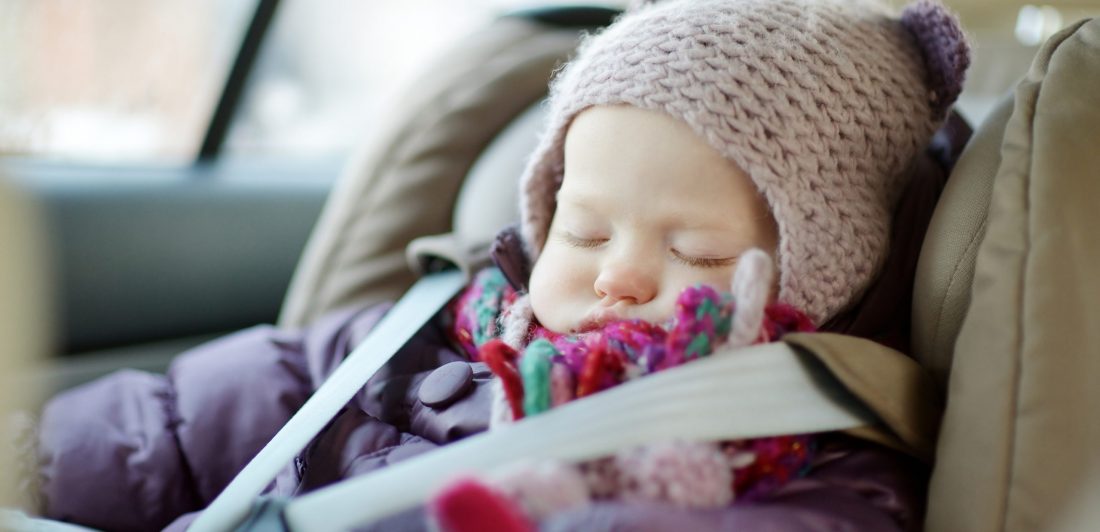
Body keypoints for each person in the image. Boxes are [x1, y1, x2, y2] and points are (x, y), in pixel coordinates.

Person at [25, 0, 970, 530]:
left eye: (698, 252)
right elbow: (179, 423)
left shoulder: (814, 454)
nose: (618, 277)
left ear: (831, 269)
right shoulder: (423, 336)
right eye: (585, 231)